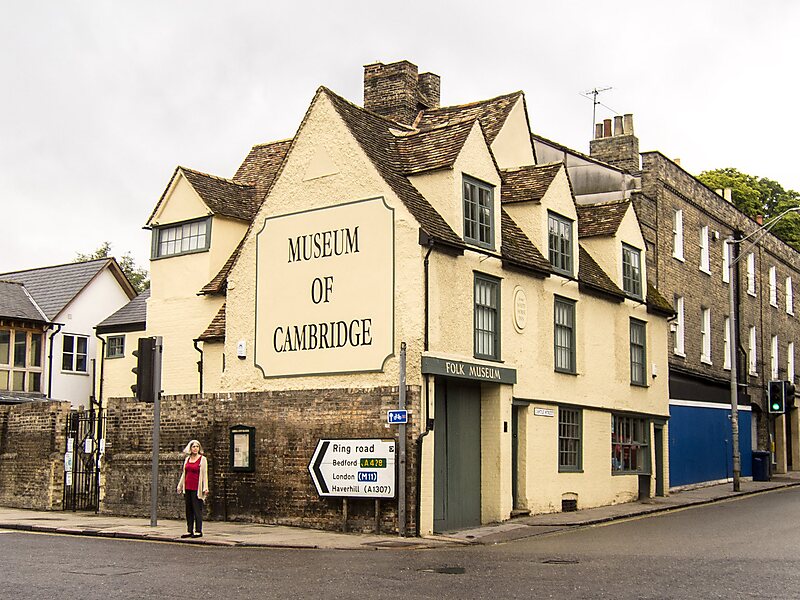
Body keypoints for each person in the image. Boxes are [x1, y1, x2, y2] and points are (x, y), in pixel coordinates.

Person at [176, 439, 209, 538]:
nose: (195, 448)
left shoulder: (202, 459)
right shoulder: (187, 459)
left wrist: (205, 488)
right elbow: (184, 474)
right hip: (188, 487)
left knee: (197, 510)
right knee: (188, 510)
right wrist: (180, 486)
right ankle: (189, 530)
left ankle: (198, 531)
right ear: (190, 448)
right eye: (193, 446)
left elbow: (204, 474)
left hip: (196, 488)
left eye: (197, 446)